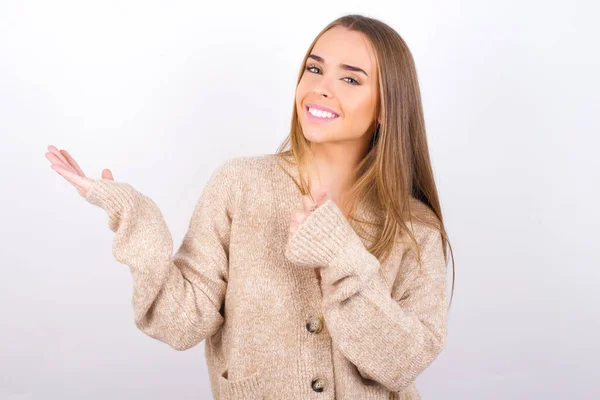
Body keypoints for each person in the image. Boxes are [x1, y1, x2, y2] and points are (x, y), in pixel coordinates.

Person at [46, 13, 455, 400]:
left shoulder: (413, 226)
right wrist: (135, 217)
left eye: (350, 78)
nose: (321, 87)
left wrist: (340, 255)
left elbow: (403, 361)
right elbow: (181, 321)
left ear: (387, 106)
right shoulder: (241, 185)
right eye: (314, 69)